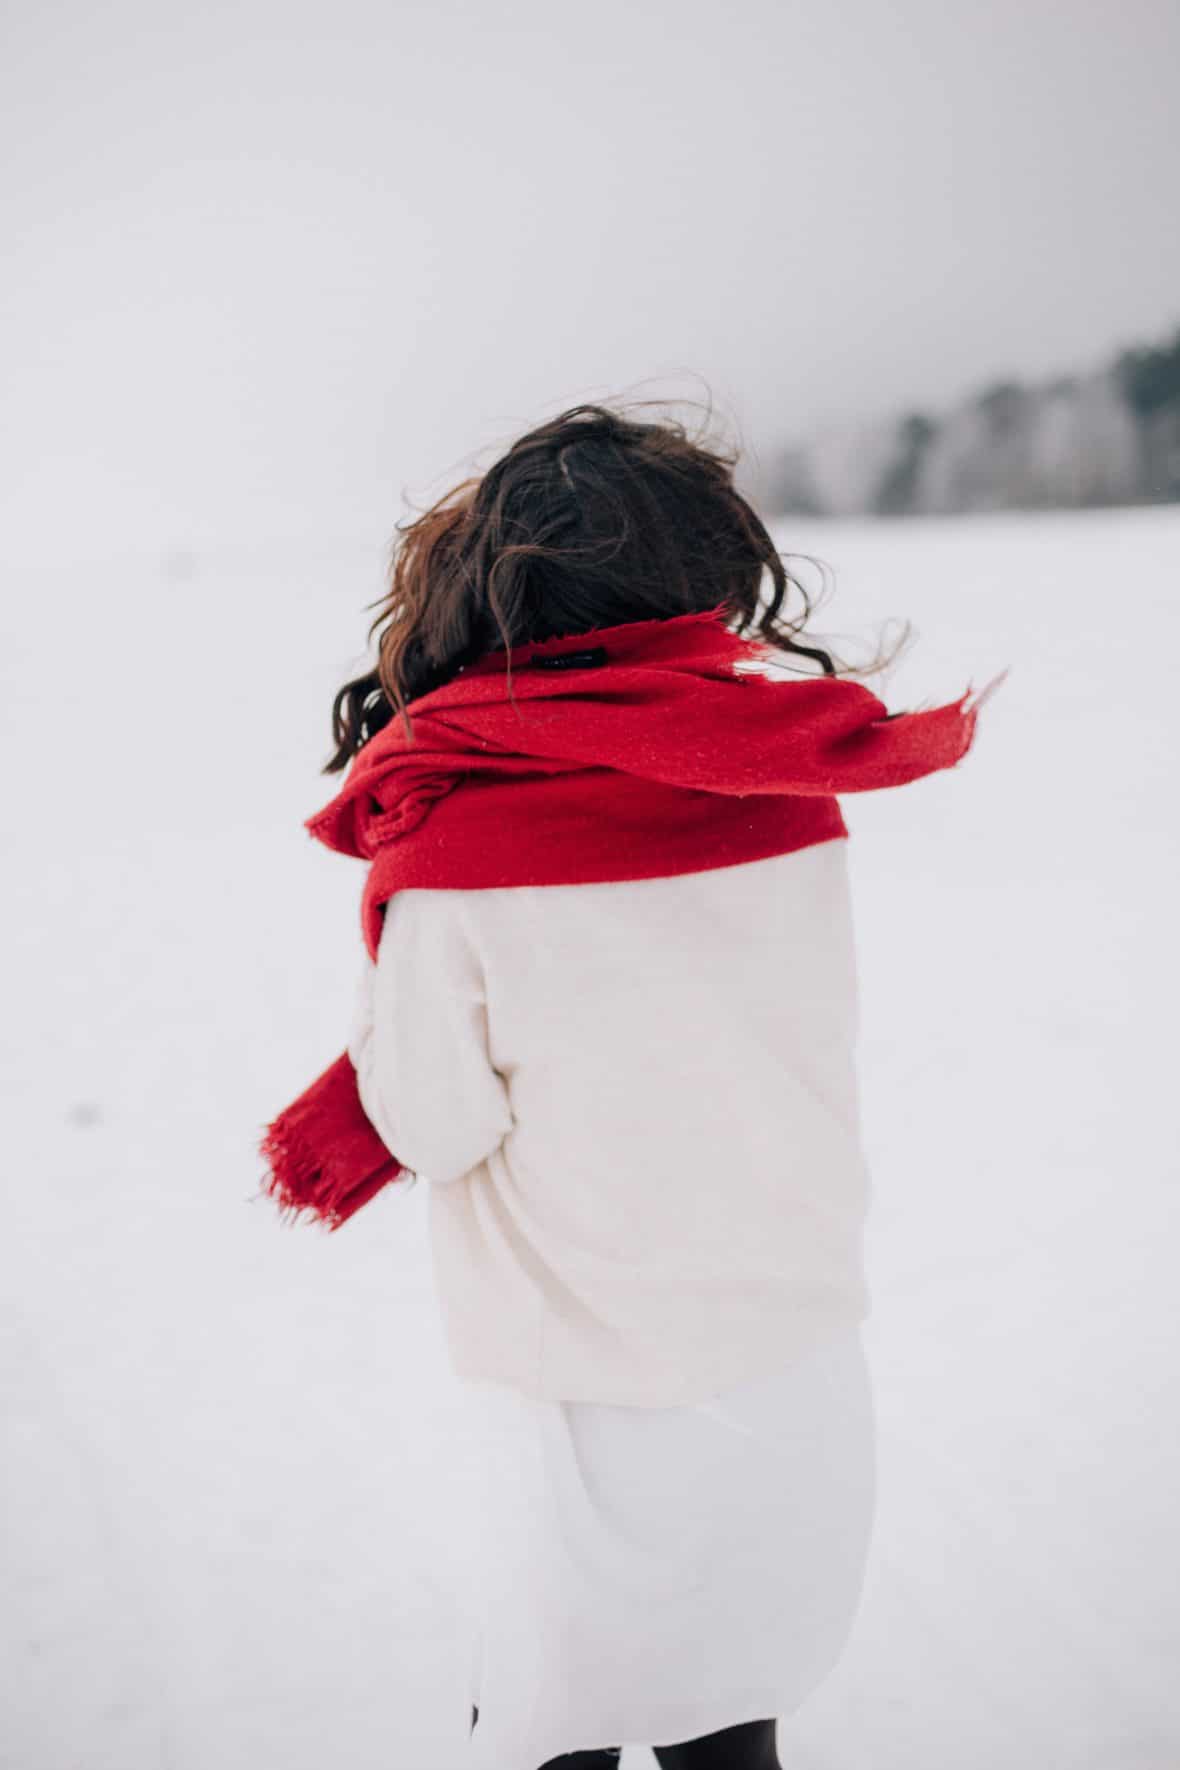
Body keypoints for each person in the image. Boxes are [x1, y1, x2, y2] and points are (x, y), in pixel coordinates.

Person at [321, 399, 987, 1769]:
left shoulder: (458, 858)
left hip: (586, 1407)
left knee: (549, 1732)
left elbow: (436, 1125)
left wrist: (392, 963)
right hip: (792, 1364)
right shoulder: (789, 796)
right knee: (728, 1733)